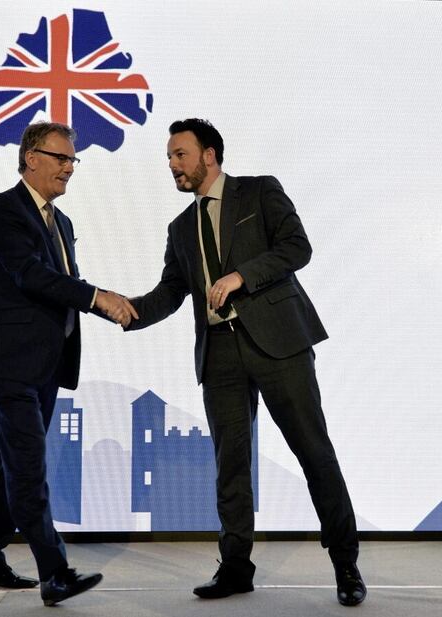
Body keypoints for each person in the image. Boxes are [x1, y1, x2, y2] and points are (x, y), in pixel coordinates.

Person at [125, 118, 366, 606]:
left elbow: (297, 248)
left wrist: (240, 276)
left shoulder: (258, 193)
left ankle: (345, 565)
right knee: (230, 466)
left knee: (313, 452)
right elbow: (172, 292)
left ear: (209, 155)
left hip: (279, 343)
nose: (172, 165)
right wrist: (125, 310)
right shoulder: (180, 227)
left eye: (180, 154)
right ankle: (235, 568)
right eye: (169, 158)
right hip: (220, 356)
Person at [0, 121, 138, 607]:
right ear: (30, 158)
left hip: (46, 363)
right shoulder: (2, 211)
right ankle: (54, 572)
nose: (69, 168)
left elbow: (68, 285)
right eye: (61, 158)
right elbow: (31, 276)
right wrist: (99, 298)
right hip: (9, 360)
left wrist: (121, 307)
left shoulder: (61, 223)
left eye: (72, 160)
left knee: (11, 462)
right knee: (28, 464)